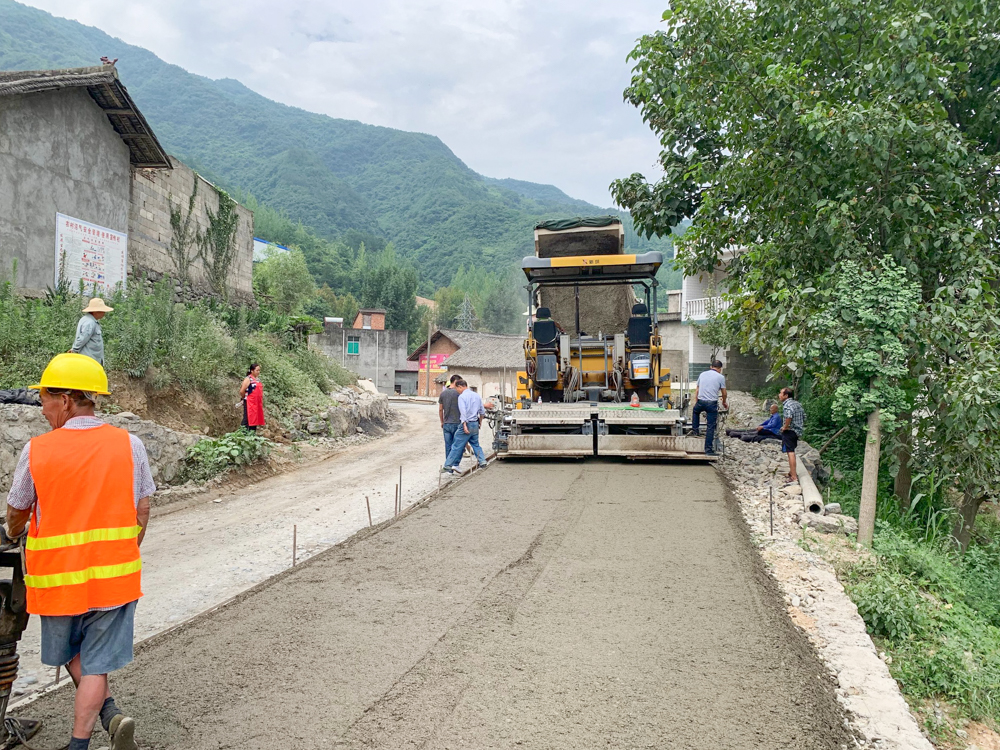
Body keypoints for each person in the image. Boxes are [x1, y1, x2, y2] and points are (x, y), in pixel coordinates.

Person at [4, 353, 151, 750]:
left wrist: (15, 532)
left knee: (75, 653)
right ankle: (108, 715)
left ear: (65, 400)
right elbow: (142, 509)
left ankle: (79, 744)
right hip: (115, 580)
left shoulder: (37, 450)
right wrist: (124, 551)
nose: (43, 409)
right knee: (97, 661)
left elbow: (16, 511)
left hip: (58, 582)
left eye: (45, 400)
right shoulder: (131, 445)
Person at [442, 379, 487, 473]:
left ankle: (448, 465)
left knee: (456, 445)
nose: (457, 391)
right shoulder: (476, 395)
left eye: (457, 389)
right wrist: (480, 422)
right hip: (475, 423)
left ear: (460, 387)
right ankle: (482, 461)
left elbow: (463, 413)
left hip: (467, 424)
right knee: (475, 444)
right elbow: (482, 412)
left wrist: (464, 426)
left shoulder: (462, 397)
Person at [691, 360, 728, 455]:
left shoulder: (702, 374)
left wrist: (697, 400)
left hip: (701, 401)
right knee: (710, 427)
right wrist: (724, 402)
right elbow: (724, 393)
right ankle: (708, 450)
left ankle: (695, 431)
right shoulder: (721, 377)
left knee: (695, 411)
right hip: (712, 404)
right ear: (720, 369)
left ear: (711, 367)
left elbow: (697, 389)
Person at [70, 298, 114, 365]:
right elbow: (82, 339)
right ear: (95, 312)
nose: (104, 313)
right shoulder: (90, 322)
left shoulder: (88, 320)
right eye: (102, 311)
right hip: (89, 360)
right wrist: (74, 350)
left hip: (92, 359)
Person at [778, 387, 806, 484]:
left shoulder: (787, 405)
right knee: (792, 450)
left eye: (781, 393)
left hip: (790, 431)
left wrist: (785, 427)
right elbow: (804, 416)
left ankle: (793, 476)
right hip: (797, 431)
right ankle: (791, 472)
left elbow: (789, 416)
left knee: (790, 452)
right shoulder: (797, 404)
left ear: (786, 395)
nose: (779, 395)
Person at [439, 374, 462, 464]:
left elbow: (440, 409)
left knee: (448, 446)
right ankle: (455, 464)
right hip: (457, 423)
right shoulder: (459, 394)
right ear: (456, 382)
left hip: (446, 424)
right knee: (457, 446)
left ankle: (448, 466)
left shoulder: (443, 393)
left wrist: (442, 422)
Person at [240, 364, 265, 432]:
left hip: (256, 403)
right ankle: (242, 434)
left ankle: (252, 434)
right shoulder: (248, 379)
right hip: (249, 402)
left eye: (259, 370)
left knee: (255, 419)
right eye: (257, 370)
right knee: (247, 418)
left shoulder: (258, 380)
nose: (258, 372)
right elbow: (242, 391)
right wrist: (244, 398)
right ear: (252, 370)